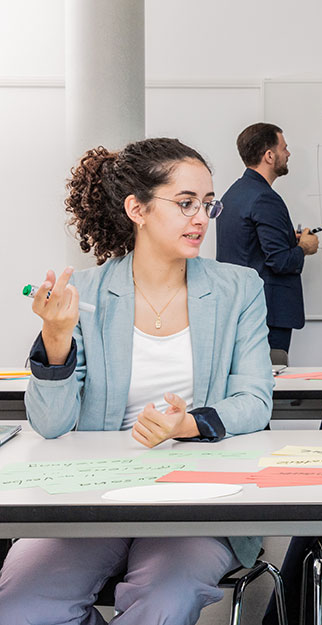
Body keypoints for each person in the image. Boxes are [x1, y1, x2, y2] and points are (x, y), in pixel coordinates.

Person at [0, 138, 274, 625]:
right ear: (137, 209)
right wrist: (56, 337)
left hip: (196, 495)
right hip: (91, 494)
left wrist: (188, 424)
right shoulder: (85, 293)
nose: (201, 218)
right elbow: (52, 424)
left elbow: (254, 400)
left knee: (163, 603)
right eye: (186, 203)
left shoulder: (238, 288)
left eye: (208, 204)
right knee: (21, 606)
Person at [216, 122, 319, 361]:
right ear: (269, 156)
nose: (288, 153)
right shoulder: (266, 198)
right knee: (269, 376)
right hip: (267, 312)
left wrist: (286, 238)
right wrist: (304, 247)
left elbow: (249, 245)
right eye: (284, 148)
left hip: (240, 307)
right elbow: (280, 261)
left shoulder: (233, 194)